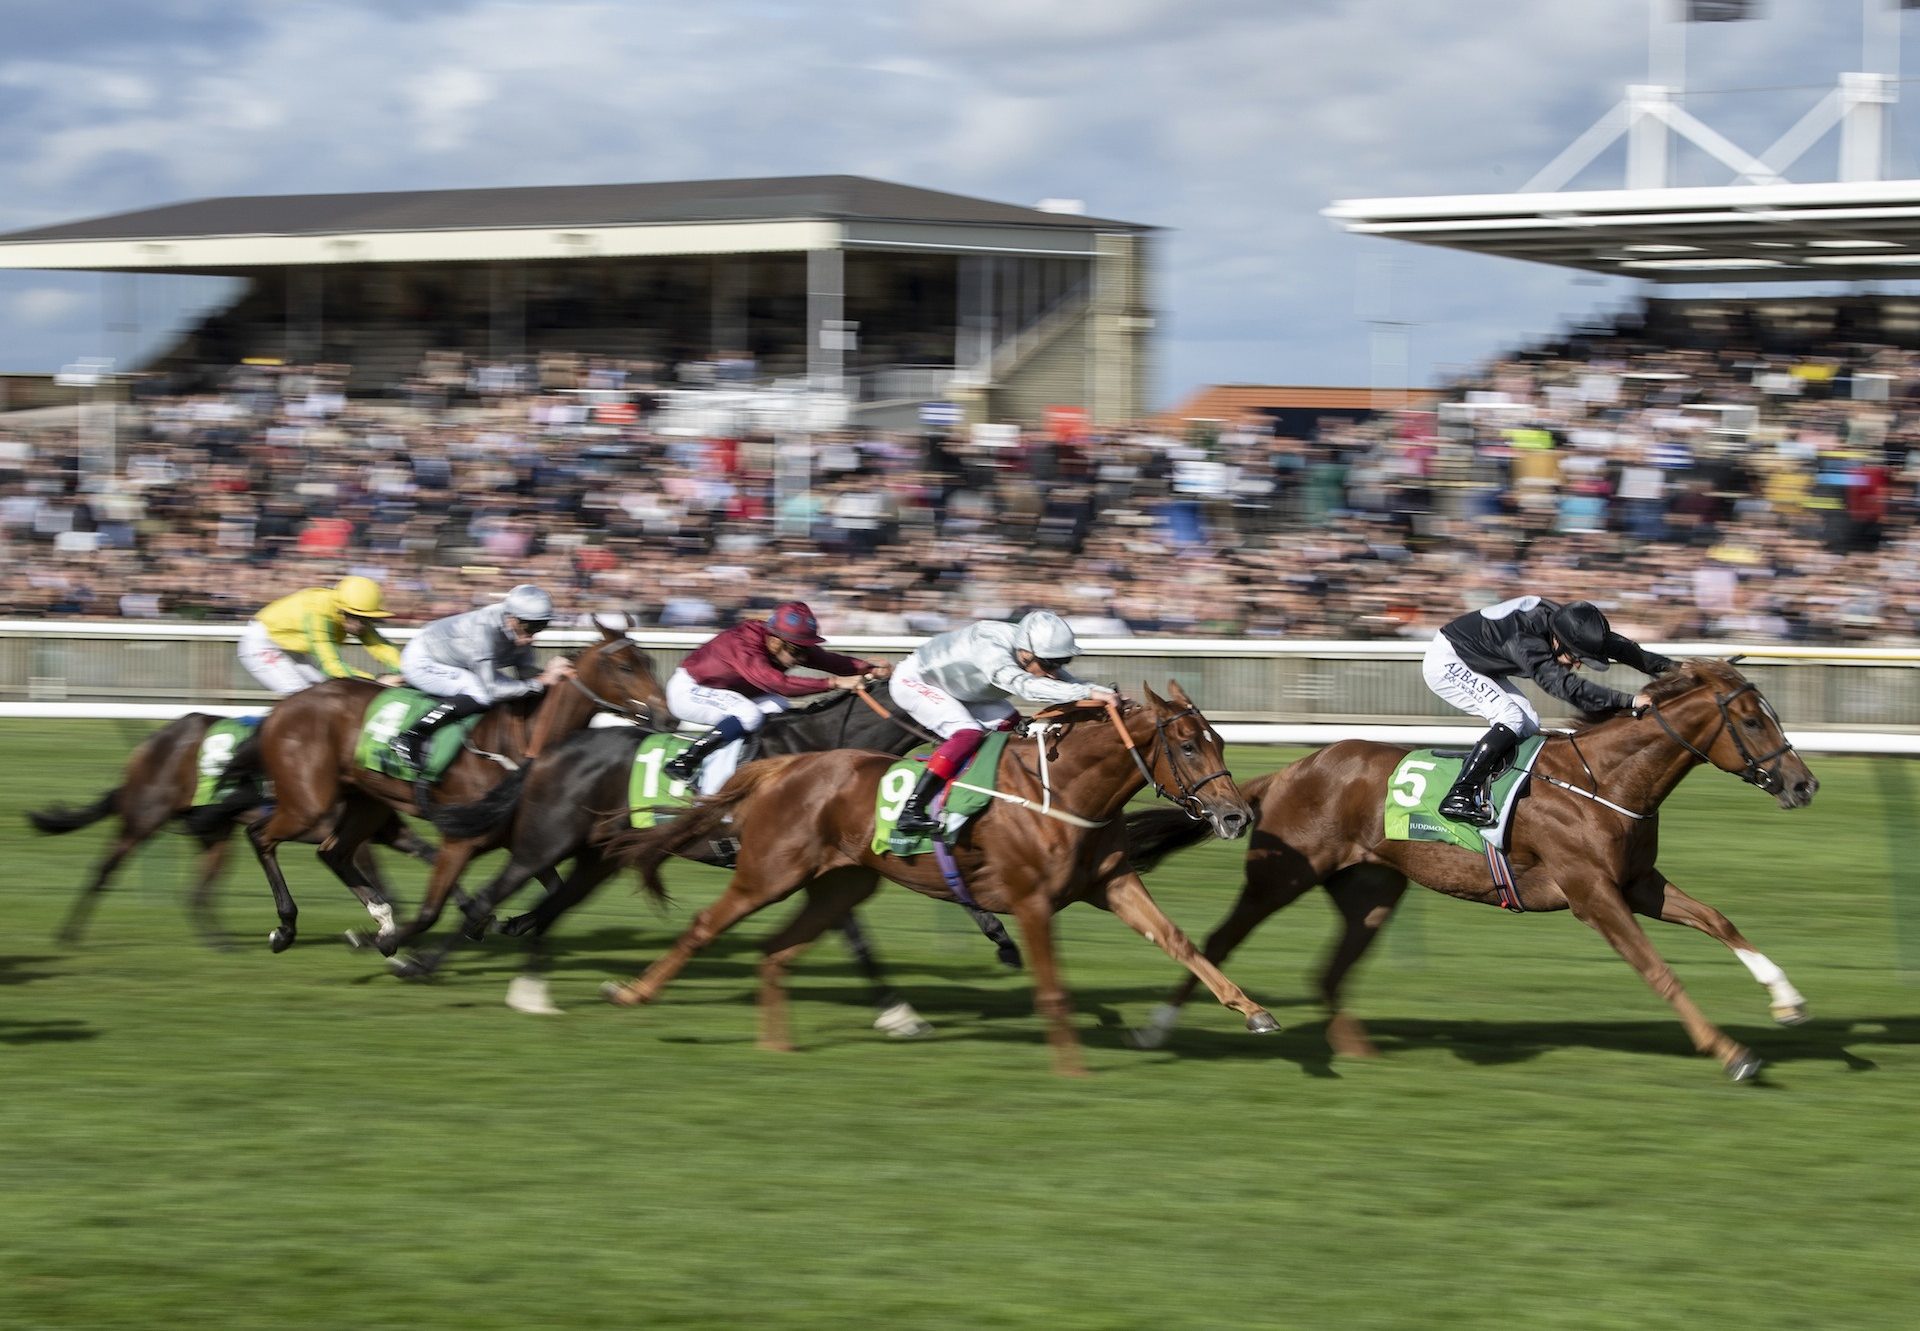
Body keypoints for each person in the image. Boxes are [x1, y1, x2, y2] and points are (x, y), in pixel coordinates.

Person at [1424, 597, 1675, 826]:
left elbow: (1624, 649)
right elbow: (1568, 689)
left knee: (1529, 723)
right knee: (1510, 717)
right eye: (1575, 657)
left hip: (1476, 659)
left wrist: (1677, 670)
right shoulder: (1526, 641)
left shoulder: (1570, 624)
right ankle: (1459, 796)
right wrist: (1630, 701)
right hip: (1448, 661)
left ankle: (1501, 790)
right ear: (1557, 641)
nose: (1577, 664)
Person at [888, 609, 1118, 839]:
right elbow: (1025, 687)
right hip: (916, 681)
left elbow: (1069, 682)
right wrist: (1087, 691)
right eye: (1050, 665)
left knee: (1011, 724)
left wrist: (1104, 693)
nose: (1054, 672)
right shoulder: (991, 647)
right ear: (1026, 653)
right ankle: (911, 809)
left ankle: (996, 793)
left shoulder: (1030, 649)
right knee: (968, 733)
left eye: (1061, 663)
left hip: (959, 689)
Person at [663, 601, 887, 785]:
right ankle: (687, 760)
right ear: (774, 641)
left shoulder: (788, 643)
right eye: (797, 652)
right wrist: (836, 682)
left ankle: (751, 765)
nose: (802, 659)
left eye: (805, 650)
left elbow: (829, 660)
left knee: (776, 706)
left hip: (727, 693)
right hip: (691, 690)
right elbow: (778, 683)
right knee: (748, 714)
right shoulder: (744, 644)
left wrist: (870, 668)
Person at [392, 584, 574, 771]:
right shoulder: (484, 630)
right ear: (512, 619)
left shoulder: (518, 628)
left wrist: (557, 677)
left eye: (541, 626)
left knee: (512, 688)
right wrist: (542, 680)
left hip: (456, 661)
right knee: (480, 693)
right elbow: (492, 690)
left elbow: (527, 675)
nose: (533, 635)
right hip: (422, 660)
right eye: (531, 626)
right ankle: (412, 735)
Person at [239, 575, 403, 696]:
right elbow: (332, 667)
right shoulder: (318, 611)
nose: (360, 625)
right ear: (340, 609)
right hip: (263, 644)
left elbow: (379, 646)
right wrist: (376, 682)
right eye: (354, 617)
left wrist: (405, 672)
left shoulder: (347, 609)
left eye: (366, 619)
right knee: (302, 697)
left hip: (291, 648)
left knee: (327, 692)